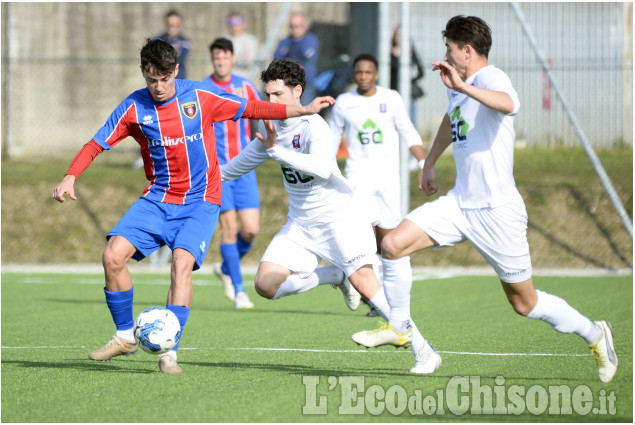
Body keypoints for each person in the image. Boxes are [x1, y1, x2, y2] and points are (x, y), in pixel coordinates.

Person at [354, 15, 618, 381]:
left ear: (467, 50)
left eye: (449, 48)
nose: (445, 53)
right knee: (394, 244)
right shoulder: (457, 83)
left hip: (497, 212)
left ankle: (595, 333)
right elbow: (452, 118)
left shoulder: (492, 77)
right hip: (460, 203)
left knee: (525, 303)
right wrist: (430, 160)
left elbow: (509, 104)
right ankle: (400, 326)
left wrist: (463, 87)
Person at [51, 39, 335, 374]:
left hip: (200, 200)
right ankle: (125, 336)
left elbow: (253, 108)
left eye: (164, 80)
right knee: (112, 256)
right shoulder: (133, 107)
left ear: (176, 71)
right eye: (151, 80)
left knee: (180, 265)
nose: (158, 87)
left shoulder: (200, 97)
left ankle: (168, 352)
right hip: (157, 198)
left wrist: (302, 109)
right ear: (144, 73)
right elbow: (97, 143)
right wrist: (70, 176)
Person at [220, 59, 431, 352]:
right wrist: (188, 179)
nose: (271, 101)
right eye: (267, 95)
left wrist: (277, 152)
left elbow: (319, 167)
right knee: (265, 285)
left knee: (365, 280)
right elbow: (230, 170)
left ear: (297, 91)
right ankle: (334, 274)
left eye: (277, 94)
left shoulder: (313, 125)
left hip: (338, 218)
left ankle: (424, 352)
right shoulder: (270, 128)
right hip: (300, 224)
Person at [328, 53, 426, 319]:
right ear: (354, 74)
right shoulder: (344, 103)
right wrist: (326, 170)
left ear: (376, 74)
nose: (363, 77)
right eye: (359, 73)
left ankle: (391, 298)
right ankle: (375, 299)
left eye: (368, 72)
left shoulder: (391, 99)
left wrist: (423, 162)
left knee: (389, 239)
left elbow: (408, 130)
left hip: (388, 179)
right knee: (364, 237)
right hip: (358, 178)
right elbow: (331, 139)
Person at [201, 38, 261, 309]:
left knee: (251, 230)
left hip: (245, 169)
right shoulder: (203, 89)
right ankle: (239, 291)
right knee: (229, 229)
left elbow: (258, 114)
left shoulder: (245, 86)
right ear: (213, 59)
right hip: (219, 171)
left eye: (225, 56)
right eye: (217, 57)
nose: (221, 61)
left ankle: (226, 267)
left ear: (233, 58)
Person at [274, 12, 319, 103]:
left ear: (305, 26)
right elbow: (276, 58)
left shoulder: (311, 39)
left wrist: (289, 50)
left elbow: (306, 55)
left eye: (299, 26)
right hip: (288, 85)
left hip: (306, 84)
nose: (296, 29)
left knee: (306, 113)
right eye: (293, 26)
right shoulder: (284, 41)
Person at [390, 26, 425, 127]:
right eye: (398, 35)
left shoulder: (410, 52)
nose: (400, 37)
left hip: (408, 92)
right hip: (394, 91)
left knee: (411, 121)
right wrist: (394, 56)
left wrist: (410, 81)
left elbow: (421, 72)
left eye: (402, 35)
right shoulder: (389, 54)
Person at [156, 10, 191, 79]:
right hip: (162, 79)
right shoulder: (158, 40)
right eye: (170, 26)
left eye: (176, 26)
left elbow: (181, 57)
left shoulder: (185, 41)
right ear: (166, 24)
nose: (173, 29)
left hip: (180, 79)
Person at [225, 12, 260, 77]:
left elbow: (250, 62)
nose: (234, 26)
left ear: (243, 24)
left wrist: (232, 60)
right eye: (231, 23)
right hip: (228, 79)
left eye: (237, 22)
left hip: (247, 78)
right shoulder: (225, 40)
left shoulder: (251, 40)